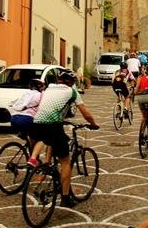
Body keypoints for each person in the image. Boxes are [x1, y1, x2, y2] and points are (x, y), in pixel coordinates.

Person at [28, 69, 100, 208]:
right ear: (71, 82)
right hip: (53, 125)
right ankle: (66, 198)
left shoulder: (49, 88)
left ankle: (47, 166)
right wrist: (93, 124)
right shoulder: (71, 91)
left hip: (37, 123)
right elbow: (85, 112)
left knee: (52, 141)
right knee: (65, 161)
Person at [10, 78, 45, 148]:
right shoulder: (40, 95)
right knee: (40, 137)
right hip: (27, 119)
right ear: (39, 87)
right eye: (43, 86)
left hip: (14, 118)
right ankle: (33, 156)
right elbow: (43, 108)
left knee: (31, 133)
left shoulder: (26, 93)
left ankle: (24, 135)